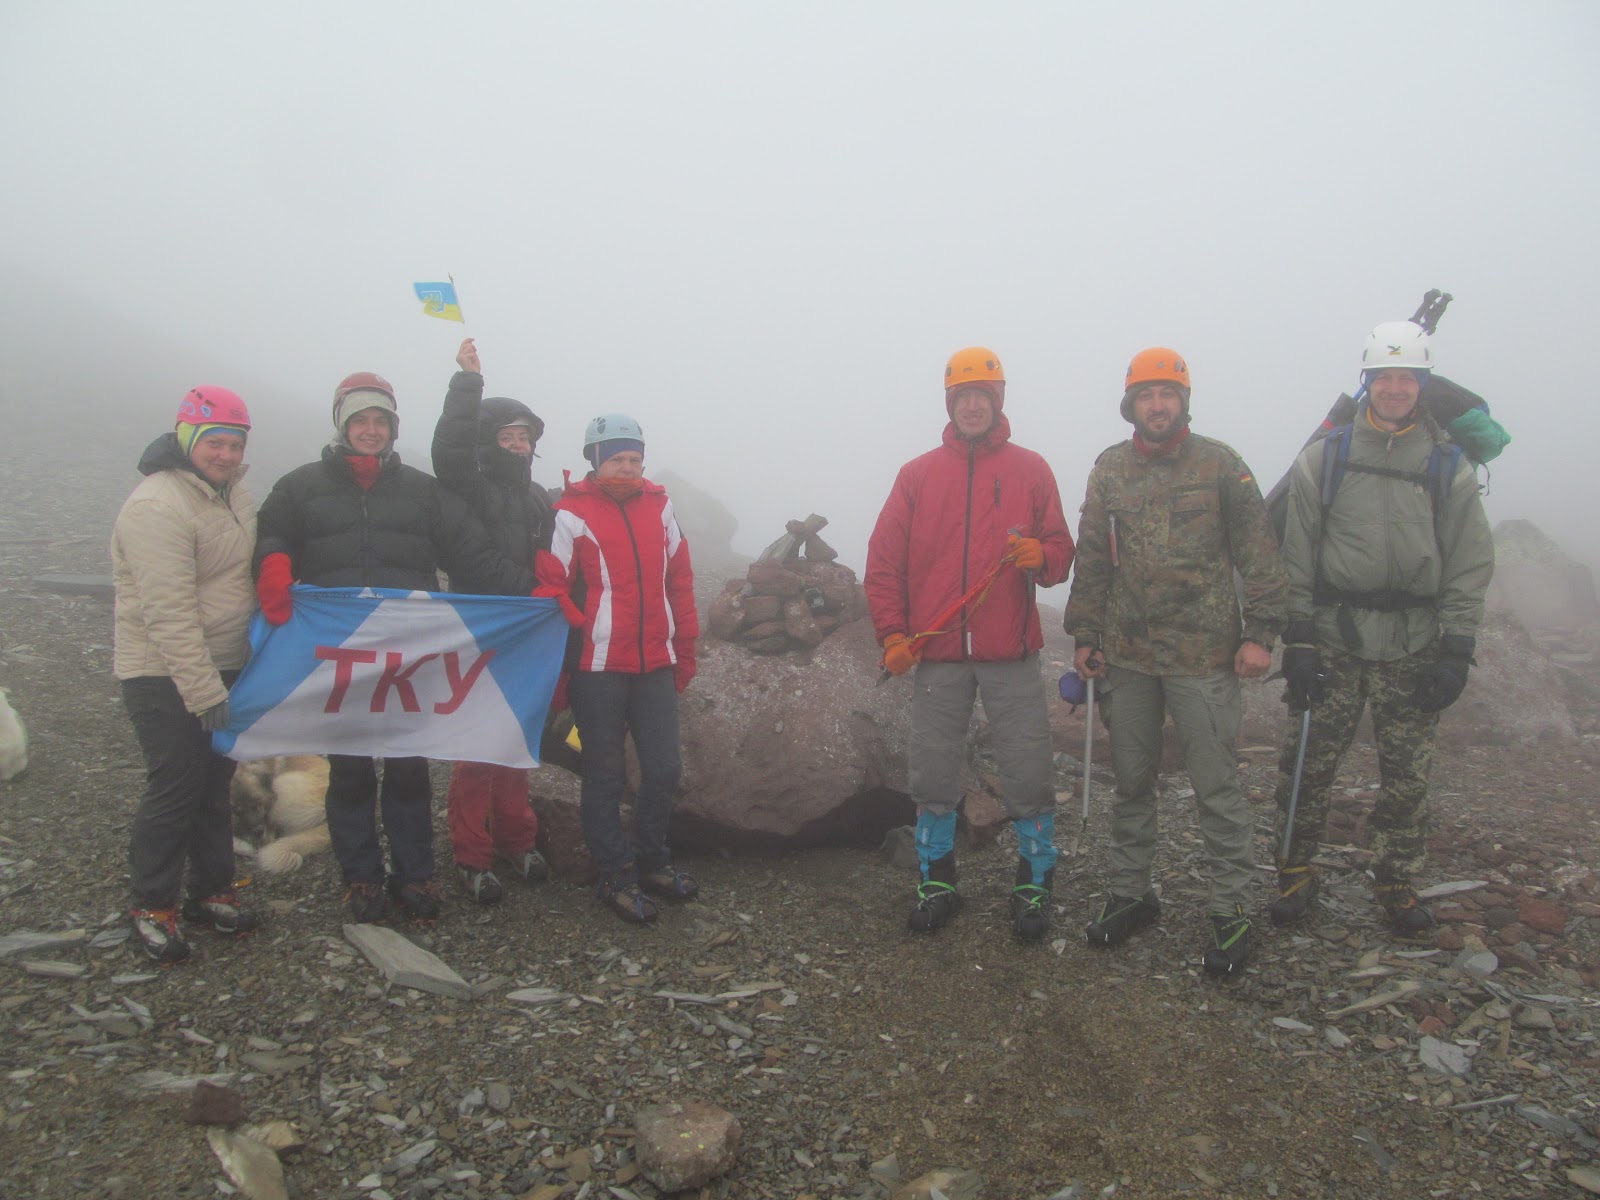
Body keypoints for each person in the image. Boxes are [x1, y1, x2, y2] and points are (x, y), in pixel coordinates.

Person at [253, 372, 532, 925]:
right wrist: (272, 563)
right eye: (361, 421)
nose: (372, 430)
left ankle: (416, 876)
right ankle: (361, 880)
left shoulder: (423, 492)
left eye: (381, 421)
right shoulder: (300, 487)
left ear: (393, 427)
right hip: (339, 658)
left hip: (409, 658)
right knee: (350, 773)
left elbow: (470, 554)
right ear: (343, 425)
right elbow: (272, 532)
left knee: (407, 771)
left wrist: (533, 595)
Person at [1064, 348, 1286, 977]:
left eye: (1168, 393)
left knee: (1216, 785)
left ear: (1183, 400)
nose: (1156, 404)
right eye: (1145, 394)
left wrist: (1261, 633)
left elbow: (1260, 554)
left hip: (1206, 656)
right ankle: (1132, 894)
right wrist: (1085, 633)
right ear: (1130, 403)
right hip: (1129, 656)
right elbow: (1093, 557)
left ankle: (1231, 908)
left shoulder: (1221, 463)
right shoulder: (1109, 468)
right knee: (1132, 783)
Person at [1269, 321, 1494, 935]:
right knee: (1308, 763)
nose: (1395, 390)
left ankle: (1396, 877)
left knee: (1407, 770)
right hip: (1336, 638)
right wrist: (1301, 641)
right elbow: (1298, 553)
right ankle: (1295, 870)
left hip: (1414, 642)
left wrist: (1457, 647)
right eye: (1384, 378)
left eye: (1407, 379)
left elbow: (1469, 559)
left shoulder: (1448, 465)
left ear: (1422, 386)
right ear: (1367, 383)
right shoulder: (1327, 457)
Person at [864, 347, 1075, 942]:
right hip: (938, 654)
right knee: (932, 770)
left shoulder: (1032, 469)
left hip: (1010, 653)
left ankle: (1034, 884)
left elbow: (1061, 552)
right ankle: (937, 881)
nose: (974, 404)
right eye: (964, 396)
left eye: (984, 395)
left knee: (1029, 768)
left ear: (999, 401)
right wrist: (893, 636)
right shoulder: (917, 475)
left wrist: (1045, 557)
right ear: (951, 403)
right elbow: (883, 564)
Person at [112, 387, 263, 963]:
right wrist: (203, 693)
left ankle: (211, 892)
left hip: (226, 662)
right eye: (213, 443)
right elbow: (167, 610)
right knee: (175, 786)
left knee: (214, 785)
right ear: (185, 440)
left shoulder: (233, 492)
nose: (224, 454)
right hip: (161, 671)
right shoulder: (157, 506)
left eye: (234, 443)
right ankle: (152, 905)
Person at [533, 414, 698, 925]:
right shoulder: (570, 512)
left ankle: (652, 861)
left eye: (634, 458)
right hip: (598, 664)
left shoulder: (661, 505)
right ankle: (615, 873)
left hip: (654, 661)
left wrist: (685, 646)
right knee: (603, 773)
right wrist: (571, 635)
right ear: (595, 460)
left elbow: (680, 578)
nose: (627, 467)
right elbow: (550, 584)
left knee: (664, 768)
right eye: (616, 458)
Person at [431, 338, 554, 904]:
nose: (515, 444)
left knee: (516, 740)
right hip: (480, 627)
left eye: (522, 436)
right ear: (488, 441)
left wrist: (555, 590)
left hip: (529, 632)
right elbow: (474, 555)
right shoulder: (468, 486)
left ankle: (516, 839)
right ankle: (472, 855)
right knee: (478, 744)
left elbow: (557, 553)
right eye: (505, 436)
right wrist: (467, 383)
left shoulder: (537, 498)